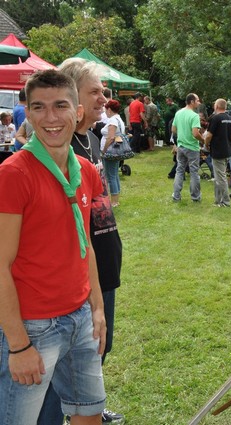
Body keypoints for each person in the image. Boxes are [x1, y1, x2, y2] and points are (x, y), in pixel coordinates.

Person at [0, 69, 107, 425]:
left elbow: (84, 244)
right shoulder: (14, 174)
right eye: (39, 107)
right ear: (28, 115)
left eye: (60, 106)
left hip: (80, 317)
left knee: (89, 414)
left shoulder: (85, 171)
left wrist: (97, 307)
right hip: (33, 325)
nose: (50, 117)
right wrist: (18, 344)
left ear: (78, 112)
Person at [37, 56, 125, 425]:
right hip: (76, 279)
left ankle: (89, 407)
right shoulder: (59, 146)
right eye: (95, 92)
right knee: (62, 367)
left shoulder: (90, 138)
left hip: (103, 267)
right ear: (72, 96)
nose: (104, 98)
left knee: (98, 348)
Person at [171, 93, 205, 202]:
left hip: (181, 146)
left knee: (179, 170)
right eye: (197, 100)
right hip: (192, 147)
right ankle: (195, 197)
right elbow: (195, 133)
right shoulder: (194, 116)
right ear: (192, 101)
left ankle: (176, 196)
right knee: (194, 172)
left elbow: (173, 129)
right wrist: (203, 140)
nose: (199, 102)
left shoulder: (178, 113)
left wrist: (182, 134)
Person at [205, 98, 231, 207]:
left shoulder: (216, 118)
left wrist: (206, 144)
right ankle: (218, 200)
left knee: (221, 178)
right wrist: (226, 138)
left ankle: (226, 201)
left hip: (218, 151)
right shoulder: (230, 118)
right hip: (227, 150)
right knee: (219, 177)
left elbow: (208, 135)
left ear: (217, 106)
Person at [100, 100, 127, 207]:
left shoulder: (112, 120)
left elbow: (110, 137)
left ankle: (114, 201)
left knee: (110, 176)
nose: (105, 112)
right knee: (114, 175)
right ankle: (116, 199)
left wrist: (103, 150)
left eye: (106, 110)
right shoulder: (119, 119)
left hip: (110, 151)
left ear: (109, 110)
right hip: (116, 151)